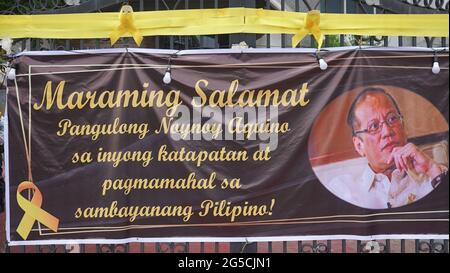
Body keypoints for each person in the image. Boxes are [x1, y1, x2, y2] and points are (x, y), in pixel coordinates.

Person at [327, 87, 448, 209]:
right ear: (359, 146)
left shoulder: (434, 176)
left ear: (403, 126)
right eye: (374, 126)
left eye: (392, 119)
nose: (387, 131)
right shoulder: (343, 189)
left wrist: (431, 168)